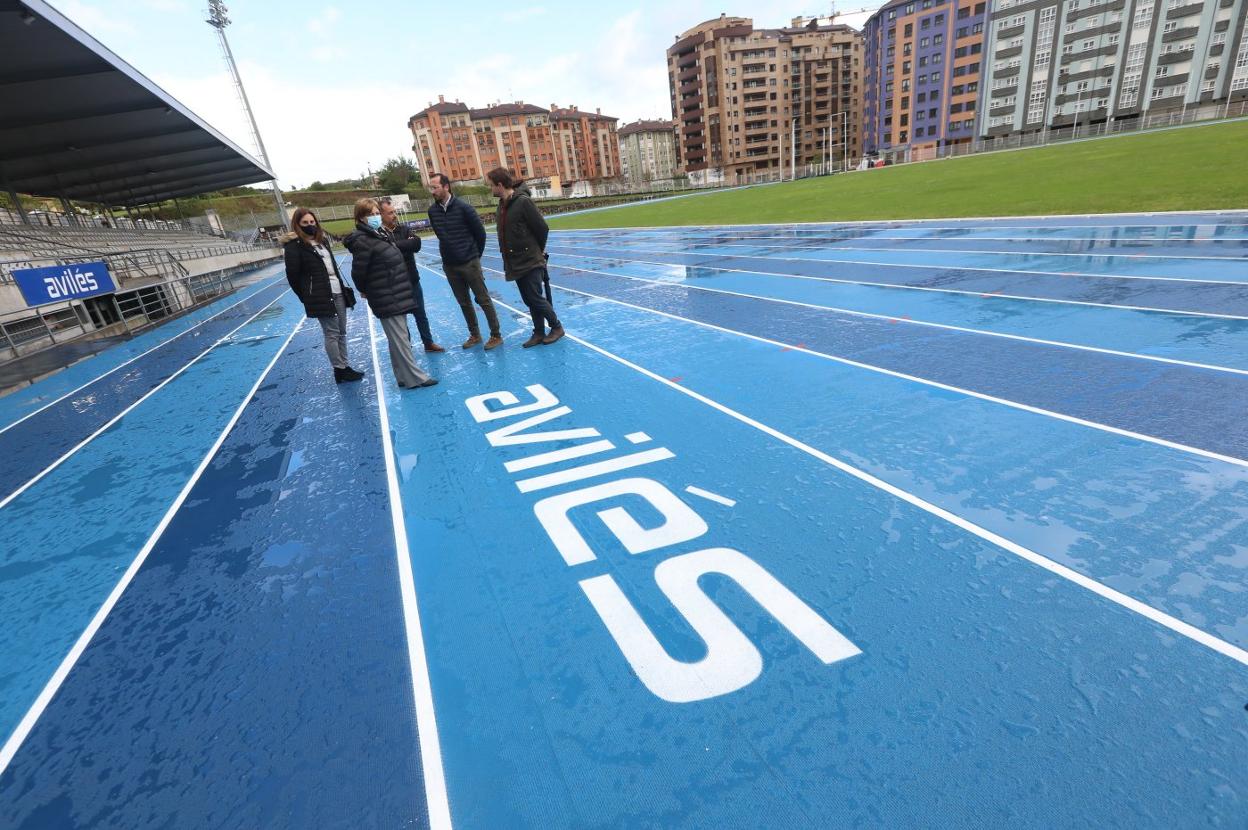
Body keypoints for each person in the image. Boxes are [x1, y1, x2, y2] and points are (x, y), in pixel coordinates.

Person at [342, 198, 438, 390]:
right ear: (360, 218)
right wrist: (365, 290)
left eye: (377, 213)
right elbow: (358, 272)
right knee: (401, 339)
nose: (375, 217)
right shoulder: (364, 240)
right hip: (385, 294)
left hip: (394, 291)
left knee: (397, 339)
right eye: (370, 214)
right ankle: (416, 378)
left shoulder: (376, 234)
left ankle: (402, 376)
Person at [282, 208, 363, 383]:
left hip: (337, 291)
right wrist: (307, 296)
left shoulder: (322, 241)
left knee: (342, 331)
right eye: (305, 223)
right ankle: (339, 369)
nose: (310, 225)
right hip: (320, 295)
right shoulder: (294, 247)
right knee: (332, 333)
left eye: (312, 222)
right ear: (297, 224)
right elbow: (293, 276)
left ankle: (345, 366)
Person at [486, 167, 563, 347]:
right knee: (529, 299)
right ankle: (538, 332)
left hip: (530, 260)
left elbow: (542, 228)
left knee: (535, 297)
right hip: (514, 262)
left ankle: (557, 327)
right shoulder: (502, 205)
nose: (490, 189)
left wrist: (537, 251)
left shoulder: (523, 202)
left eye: (491, 185)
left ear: (500, 185)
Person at [426, 173, 502, 350]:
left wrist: (474, 256)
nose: (432, 191)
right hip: (449, 265)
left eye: (435, 187)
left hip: (469, 262)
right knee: (463, 302)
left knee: (483, 299)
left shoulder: (464, 208)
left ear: (446, 187)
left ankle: (496, 335)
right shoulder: (432, 211)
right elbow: (441, 236)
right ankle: (475, 335)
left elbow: (480, 234)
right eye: (431, 188)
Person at [379, 198, 444, 354]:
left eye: (394, 212)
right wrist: (404, 245)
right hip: (394, 284)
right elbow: (383, 253)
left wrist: (393, 246)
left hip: (412, 280)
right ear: (381, 215)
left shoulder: (403, 228)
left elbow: (416, 244)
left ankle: (428, 343)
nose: (394, 215)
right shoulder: (379, 234)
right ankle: (406, 347)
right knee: (401, 319)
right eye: (390, 213)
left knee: (421, 314)